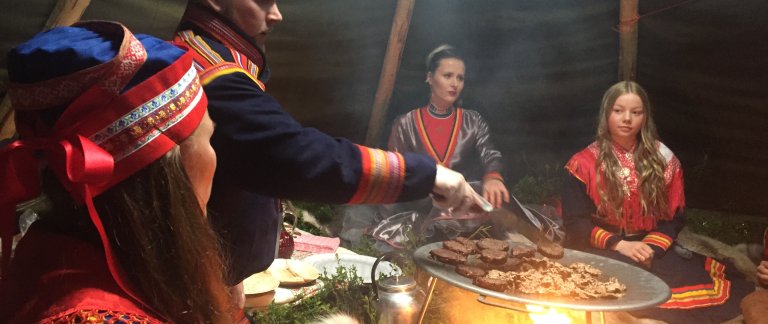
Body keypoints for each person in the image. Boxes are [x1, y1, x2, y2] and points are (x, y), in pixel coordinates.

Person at [170, 0, 489, 306]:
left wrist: (233, 272)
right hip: (192, 281)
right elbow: (296, 156)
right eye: (264, 1)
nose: (277, 14)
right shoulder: (214, 77)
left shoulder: (207, 56)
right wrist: (426, 175)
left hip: (214, 273)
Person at [0, 22, 233, 323]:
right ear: (166, 170)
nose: (215, 158)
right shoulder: (98, 316)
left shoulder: (51, 247)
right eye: (208, 139)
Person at [561, 81, 753, 323]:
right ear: (606, 113)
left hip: (651, 247)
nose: (627, 119)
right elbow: (576, 224)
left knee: (697, 283)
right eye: (618, 110)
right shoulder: (582, 164)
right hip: (604, 249)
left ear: (645, 116)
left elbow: (673, 218)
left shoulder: (664, 160)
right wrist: (621, 246)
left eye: (636, 112)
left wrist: (650, 247)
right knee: (614, 285)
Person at [367, 45, 510, 248]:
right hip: (421, 207)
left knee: (491, 200)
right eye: (448, 75)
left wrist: (493, 177)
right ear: (429, 77)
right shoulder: (405, 123)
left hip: (462, 207)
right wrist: (383, 220)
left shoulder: (473, 120)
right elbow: (394, 171)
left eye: (460, 78)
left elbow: (489, 152)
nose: (455, 84)